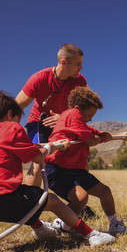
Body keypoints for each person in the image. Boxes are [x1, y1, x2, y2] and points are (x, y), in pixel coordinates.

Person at [0, 91, 116, 247]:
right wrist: (49, 147)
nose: (19, 123)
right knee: (52, 201)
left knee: (28, 198)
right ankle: (92, 235)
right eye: (19, 119)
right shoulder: (11, 128)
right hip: (2, 198)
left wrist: (53, 145)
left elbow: (31, 148)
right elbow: (38, 156)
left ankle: (40, 229)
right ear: (10, 113)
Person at [44, 87, 127, 236]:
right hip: (58, 170)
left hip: (75, 170)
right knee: (80, 197)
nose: (91, 118)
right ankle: (65, 224)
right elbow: (90, 140)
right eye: (89, 115)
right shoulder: (71, 115)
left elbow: (98, 134)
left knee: (105, 192)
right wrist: (99, 138)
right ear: (78, 109)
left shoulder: (79, 122)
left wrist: (121, 135)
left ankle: (114, 224)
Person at [15, 43, 87, 188]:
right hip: (38, 124)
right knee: (39, 162)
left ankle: (80, 202)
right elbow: (16, 106)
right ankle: (32, 204)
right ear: (64, 62)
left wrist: (64, 118)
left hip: (64, 124)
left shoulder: (80, 81)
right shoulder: (39, 78)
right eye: (78, 64)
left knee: (81, 161)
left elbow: (84, 111)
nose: (81, 68)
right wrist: (10, 132)